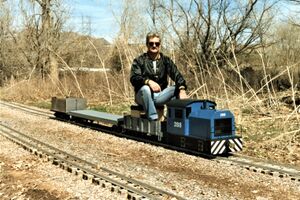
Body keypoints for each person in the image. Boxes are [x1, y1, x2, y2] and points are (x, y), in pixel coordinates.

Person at [130, 32, 188, 121]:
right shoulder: (139, 60)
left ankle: (172, 120)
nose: (154, 46)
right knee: (145, 89)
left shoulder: (166, 61)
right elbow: (134, 78)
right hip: (142, 96)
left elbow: (177, 75)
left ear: (159, 45)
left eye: (156, 43)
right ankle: (153, 119)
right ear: (147, 44)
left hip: (160, 96)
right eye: (151, 43)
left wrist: (182, 89)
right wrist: (148, 81)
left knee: (177, 88)